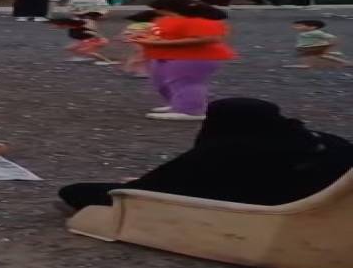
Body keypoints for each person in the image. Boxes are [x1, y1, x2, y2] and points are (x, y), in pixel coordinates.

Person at [58, 98, 353, 210]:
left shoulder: (226, 150)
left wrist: (137, 185)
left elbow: (164, 185)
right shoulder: (326, 141)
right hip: (326, 205)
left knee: (76, 191)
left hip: (267, 210)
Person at [131, 0, 236, 121]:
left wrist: (163, 43)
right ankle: (179, 104)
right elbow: (162, 34)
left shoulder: (199, 21)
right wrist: (146, 38)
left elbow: (208, 38)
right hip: (167, 56)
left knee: (185, 83)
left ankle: (190, 110)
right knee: (163, 82)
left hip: (193, 57)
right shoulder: (168, 20)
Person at [285, 20, 352, 69]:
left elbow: (330, 37)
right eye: (295, 26)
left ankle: (308, 65)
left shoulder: (315, 32)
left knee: (307, 55)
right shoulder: (306, 33)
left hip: (311, 47)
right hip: (308, 47)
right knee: (321, 56)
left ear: (312, 27)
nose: (295, 27)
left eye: (299, 26)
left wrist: (331, 44)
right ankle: (345, 62)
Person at [51, 16, 117, 66]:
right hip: (86, 41)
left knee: (88, 52)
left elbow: (94, 33)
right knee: (69, 48)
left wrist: (100, 39)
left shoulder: (81, 29)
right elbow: (63, 26)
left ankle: (108, 61)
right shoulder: (72, 28)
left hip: (95, 41)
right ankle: (78, 57)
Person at [121, 10, 160, 78]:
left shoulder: (133, 25)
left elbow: (127, 33)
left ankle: (128, 69)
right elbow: (155, 33)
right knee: (142, 56)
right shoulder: (151, 25)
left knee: (138, 55)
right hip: (144, 42)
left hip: (136, 42)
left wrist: (127, 38)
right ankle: (140, 71)